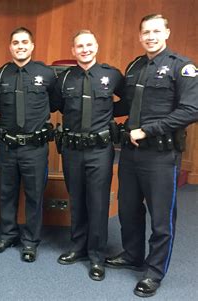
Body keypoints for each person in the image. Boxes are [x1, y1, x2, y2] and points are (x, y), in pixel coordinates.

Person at [105, 14, 198, 297]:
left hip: (161, 155)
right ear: (139, 35)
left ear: (167, 32)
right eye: (146, 32)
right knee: (128, 208)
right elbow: (126, 105)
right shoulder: (135, 66)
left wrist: (148, 130)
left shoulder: (182, 67)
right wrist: (95, 111)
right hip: (131, 154)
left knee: (161, 217)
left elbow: (191, 110)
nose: (150, 36)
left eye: (156, 31)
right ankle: (133, 254)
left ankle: (154, 271)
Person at [51, 30, 123, 281]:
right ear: (73, 50)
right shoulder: (64, 78)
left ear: (97, 46)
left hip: (99, 150)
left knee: (98, 202)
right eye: (79, 46)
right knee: (77, 199)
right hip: (71, 149)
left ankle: (97, 256)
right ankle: (78, 247)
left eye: (89, 45)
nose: (84, 49)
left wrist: (107, 113)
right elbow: (57, 104)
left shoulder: (111, 75)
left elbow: (127, 100)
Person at [0, 27, 56, 262]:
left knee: (34, 195)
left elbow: (55, 102)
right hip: (7, 146)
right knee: (6, 192)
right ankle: (8, 234)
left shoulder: (46, 74)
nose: (20, 46)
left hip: (34, 147)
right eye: (16, 42)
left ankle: (30, 241)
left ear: (32, 46)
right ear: (10, 47)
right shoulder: (0, 74)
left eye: (24, 42)